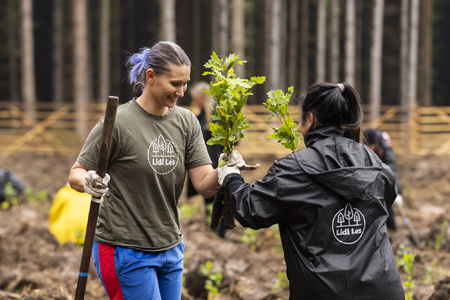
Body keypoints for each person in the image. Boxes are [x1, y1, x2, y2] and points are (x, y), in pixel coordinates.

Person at [218, 82, 405, 299]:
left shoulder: (292, 169)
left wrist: (231, 177)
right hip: (383, 291)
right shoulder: (376, 163)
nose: (298, 127)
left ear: (310, 119)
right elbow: (388, 195)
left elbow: (250, 209)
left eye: (299, 119)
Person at [68, 41, 220, 300]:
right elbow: (76, 173)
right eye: (175, 84)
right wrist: (89, 180)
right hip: (124, 249)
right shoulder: (117, 122)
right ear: (150, 76)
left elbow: (204, 184)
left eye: (185, 83)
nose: (182, 92)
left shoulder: (186, 122)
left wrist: (226, 170)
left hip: (171, 247)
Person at [186, 81, 225, 236]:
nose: (194, 102)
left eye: (197, 99)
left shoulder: (218, 115)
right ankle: (212, 228)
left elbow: (233, 139)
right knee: (208, 196)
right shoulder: (200, 117)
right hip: (204, 163)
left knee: (219, 199)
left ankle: (220, 232)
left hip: (217, 163)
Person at [362, 128, 403, 231]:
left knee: (386, 200)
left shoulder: (384, 147)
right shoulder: (359, 146)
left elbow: (392, 169)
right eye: (368, 145)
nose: (371, 147)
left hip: (382, 176)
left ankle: (391, 229)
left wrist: (397, 191)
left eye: (373, 145)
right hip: (366, 179)